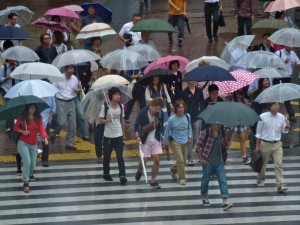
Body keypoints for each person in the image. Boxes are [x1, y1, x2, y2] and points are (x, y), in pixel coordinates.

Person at [195, 123, 233, 211]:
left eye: (220, 124)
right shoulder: (205, 133)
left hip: (219, 162)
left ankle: (225, 201)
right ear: (212, 124)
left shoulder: (222, 133)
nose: (219, 126)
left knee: (223, 181)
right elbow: (197, 147)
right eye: (217, 124)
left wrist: (228, 140)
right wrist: (201, 159)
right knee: (205, 180)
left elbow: (225, 146)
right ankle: (204, 196)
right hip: (208, 162)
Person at [255, 102, 290, 192]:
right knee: (263, 164)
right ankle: (260, 178)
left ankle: (280, 184)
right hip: (265, 143)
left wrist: (287, 125)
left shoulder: (282, 117)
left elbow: (284, 131)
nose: (277, 106)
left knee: (279, 164)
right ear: (269, 107)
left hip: (277, 144)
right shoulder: (263, 116)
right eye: (274, 105)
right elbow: (258, 132)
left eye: (278, 105)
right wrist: (257, 146)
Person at [13, 104, 48, 193]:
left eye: (34, 107)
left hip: (33, 144)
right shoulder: (22, 117)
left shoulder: (38, 117)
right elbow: (15, 128)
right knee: (27, 162)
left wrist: (45, 137)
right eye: (30, 107)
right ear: (27, 108)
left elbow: (42, 129)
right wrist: (23, 131)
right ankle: (26, 182)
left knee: (33, 164)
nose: (32, 109)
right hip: (23, 143)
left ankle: (27, 174)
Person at [134, 98, 165, 189]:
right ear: (152, 106)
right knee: (144, 160)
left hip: (156, 139)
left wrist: (162, 138)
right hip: (145, 139)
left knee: (157, 159)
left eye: (159, 109)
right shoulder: (142, 112)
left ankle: (153, 180)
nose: (157, 111)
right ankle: (139, 171)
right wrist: (137, 136)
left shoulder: (160, 113)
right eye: (156, 108)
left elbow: (162, 125)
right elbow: (136, 125)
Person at [99, 87, 127, 185]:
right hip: (108, 136)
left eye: (119, 94)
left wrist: (123, 134)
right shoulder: (105, 107)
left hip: (118, 135)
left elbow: (122, 120)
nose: (118, 96)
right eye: (115, 94)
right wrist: (107, 120)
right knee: (107, 156)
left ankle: (122, 175)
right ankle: (106, 173)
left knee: (120, 156)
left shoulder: (121, 106)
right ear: (111, 96)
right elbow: (100, 120)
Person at [51, 65, 80, 150]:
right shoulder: (58, 78)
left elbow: (76, 90)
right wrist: (54, 100)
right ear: (65, 71)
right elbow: (53, 89)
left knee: (73, 124)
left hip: (71, 101)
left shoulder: (75, 79)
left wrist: (78, 90)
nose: (70, 75)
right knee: (61, 123)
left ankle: (69, 142)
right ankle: (54, 133)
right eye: (69, 73)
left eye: (72, 73)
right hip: (61, 101)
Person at [163, 99, 192, 185]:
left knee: (183, 161)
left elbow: (189, 127)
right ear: (176, 108)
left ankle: (173, 169)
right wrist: (165, 143)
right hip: (175, 141)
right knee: (181, 160)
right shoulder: (172, 119)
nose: (181, 109)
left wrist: (190, 136)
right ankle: (182, 178)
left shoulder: (187, 116)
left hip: (185, 140)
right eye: (179, 108)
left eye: (182, 107)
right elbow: (167, 131)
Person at [181, 81, 204, 166]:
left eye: (193, 80)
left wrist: (200, 111)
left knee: (195, 138)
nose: (192, 82)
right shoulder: (184, 92)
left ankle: (187, 152)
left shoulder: (199, 91)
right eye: (190, 80)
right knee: (189, 138)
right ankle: (189, 157)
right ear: (188, 82)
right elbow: (182, 104)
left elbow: (202, 103)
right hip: (187, 117)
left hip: (197, 117)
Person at [275, 45, 300, 122]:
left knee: (287, 97)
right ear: (285, 45)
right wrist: (283, 63)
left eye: (292, 45)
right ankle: (275, 115)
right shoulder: (278, 53)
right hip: (279, 77)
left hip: (288, 77)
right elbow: (273, 65)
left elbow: (298, 62)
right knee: (277, 97)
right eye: (289, 44)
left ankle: (291, 115)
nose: (291, 46)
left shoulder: (293, 53)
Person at [225, 90, 251, 165]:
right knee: (228, 139)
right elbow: (227, 107)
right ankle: (224, 156)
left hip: (240, 118)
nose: (241, 88)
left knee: (242, 138)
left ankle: (244, 157)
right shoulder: (230, 96)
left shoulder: (242, 95)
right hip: (231, 118)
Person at [40, 79, 56, 167]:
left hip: (46, 122)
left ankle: (45, 159)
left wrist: (49, 117)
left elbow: (53, 109)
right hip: (36, 122)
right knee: (34, 141)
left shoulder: (51, 96)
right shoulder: (36, 96)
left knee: (45, 140)